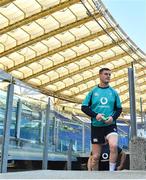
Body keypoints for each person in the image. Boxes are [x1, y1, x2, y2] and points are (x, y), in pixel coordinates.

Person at [81, 68, 122, 171]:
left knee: (113, 145)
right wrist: (96, 115)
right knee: (95, 157)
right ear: (100, 75)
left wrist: (112, 118)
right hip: (96, 126)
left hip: (110, 125)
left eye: (109, 74)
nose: (108, 76)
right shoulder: (93, 92)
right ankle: (94, 176)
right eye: (106, 74)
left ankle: (111, 173)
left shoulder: (113, 92)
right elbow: (84, 107)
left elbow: (119, 109)